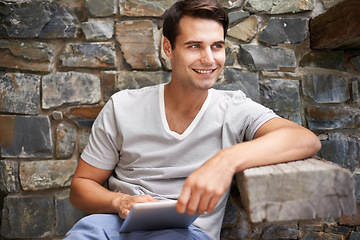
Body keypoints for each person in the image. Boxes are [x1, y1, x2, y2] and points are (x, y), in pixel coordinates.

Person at [65, 0, 321, 239]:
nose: (208, 59)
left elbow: (304, 139)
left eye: (216, 46)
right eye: (195, 46)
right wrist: (119, 202)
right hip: (114, 226)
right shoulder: (122, 107)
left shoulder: (234, 108)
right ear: (168, 48)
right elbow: (81, 186)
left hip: (186, 232)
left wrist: (225, 161)